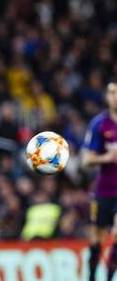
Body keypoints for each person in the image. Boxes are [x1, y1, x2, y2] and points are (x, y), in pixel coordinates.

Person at [82, 79, 117, 281]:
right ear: (106, 97)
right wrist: (108, 157)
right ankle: (92, 276)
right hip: (103, 190)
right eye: (112, 93)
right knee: (96, 240)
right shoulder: (99, 124)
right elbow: (86, 160)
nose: (115, 97)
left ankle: (110, 276)